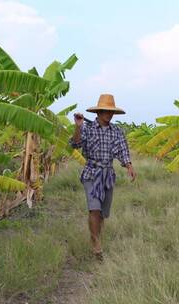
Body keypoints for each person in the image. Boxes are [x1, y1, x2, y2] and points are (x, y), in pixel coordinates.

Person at [70, 94, 136, 260]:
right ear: (98, 112)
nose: (108, 114)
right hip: (91, 173)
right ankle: (96, 243)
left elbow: (122, 150)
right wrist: (78, 126)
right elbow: (75, 144)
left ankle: (96, 235)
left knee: (102, 214)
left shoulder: (117, 131)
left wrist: (128, 165)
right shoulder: (88, 128)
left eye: (111, 112)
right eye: (105, 111)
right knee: (94, 208)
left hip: (107, 175)